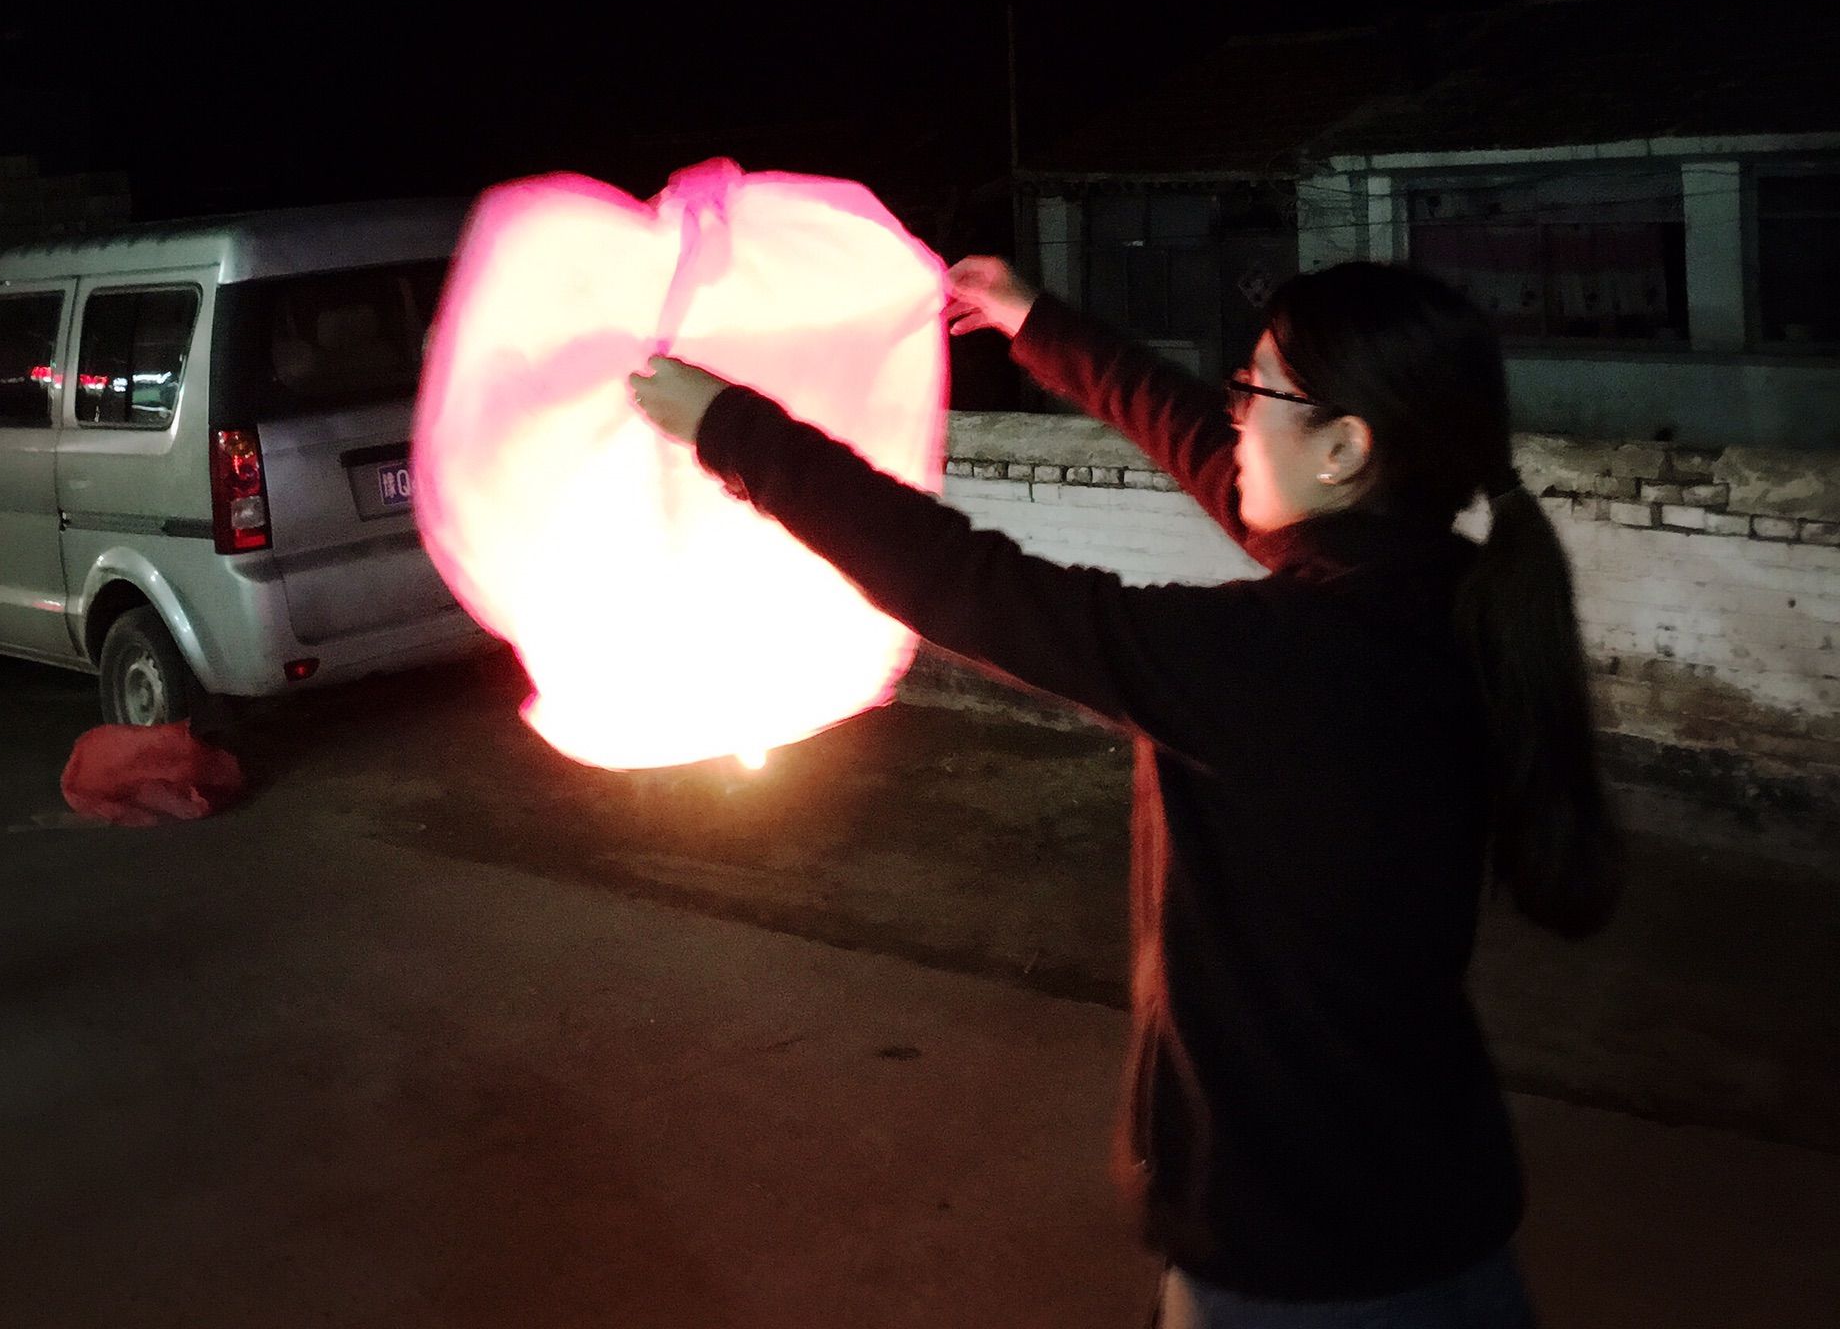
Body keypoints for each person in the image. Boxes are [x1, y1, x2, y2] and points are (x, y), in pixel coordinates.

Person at [629, 254, 1623, 1326]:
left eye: (1256, 391)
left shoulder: (1287, 662)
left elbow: (970, 583)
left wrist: (733, 430)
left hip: (1302, 1257)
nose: (1232, 415)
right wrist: (1036, 322)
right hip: (1434, 1212)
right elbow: (1206, 449)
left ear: (1345, 448)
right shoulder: (1440, 599)